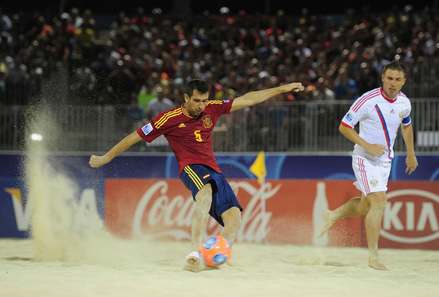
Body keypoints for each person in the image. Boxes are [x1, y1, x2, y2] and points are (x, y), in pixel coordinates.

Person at [89, 79, 303, 271]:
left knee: (235, 220)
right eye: (198, 101)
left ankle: (211, 259)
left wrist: (283, 88)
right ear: (186, 98)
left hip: (214, 170)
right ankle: (194, 250)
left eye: (204, 101)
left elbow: (248, 99)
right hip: (191, 167)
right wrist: (107, 157)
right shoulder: (168, 118)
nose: (202, 106)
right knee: (205, 192)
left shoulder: (212, 109)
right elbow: (134, 137)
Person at [317, 60, 418, 271]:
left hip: (385, 161)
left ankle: (333, 215)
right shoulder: (367, 100)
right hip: (364, 158)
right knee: (380, 202)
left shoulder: (404, 102)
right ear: (382, 78)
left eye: (397, 80)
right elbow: (344, 126)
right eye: (389, 78)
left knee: (366, 205)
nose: (393, 83)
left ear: (403, 82)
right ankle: (373, 258)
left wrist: (410, 153)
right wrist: (367, 145)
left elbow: (406, 126)